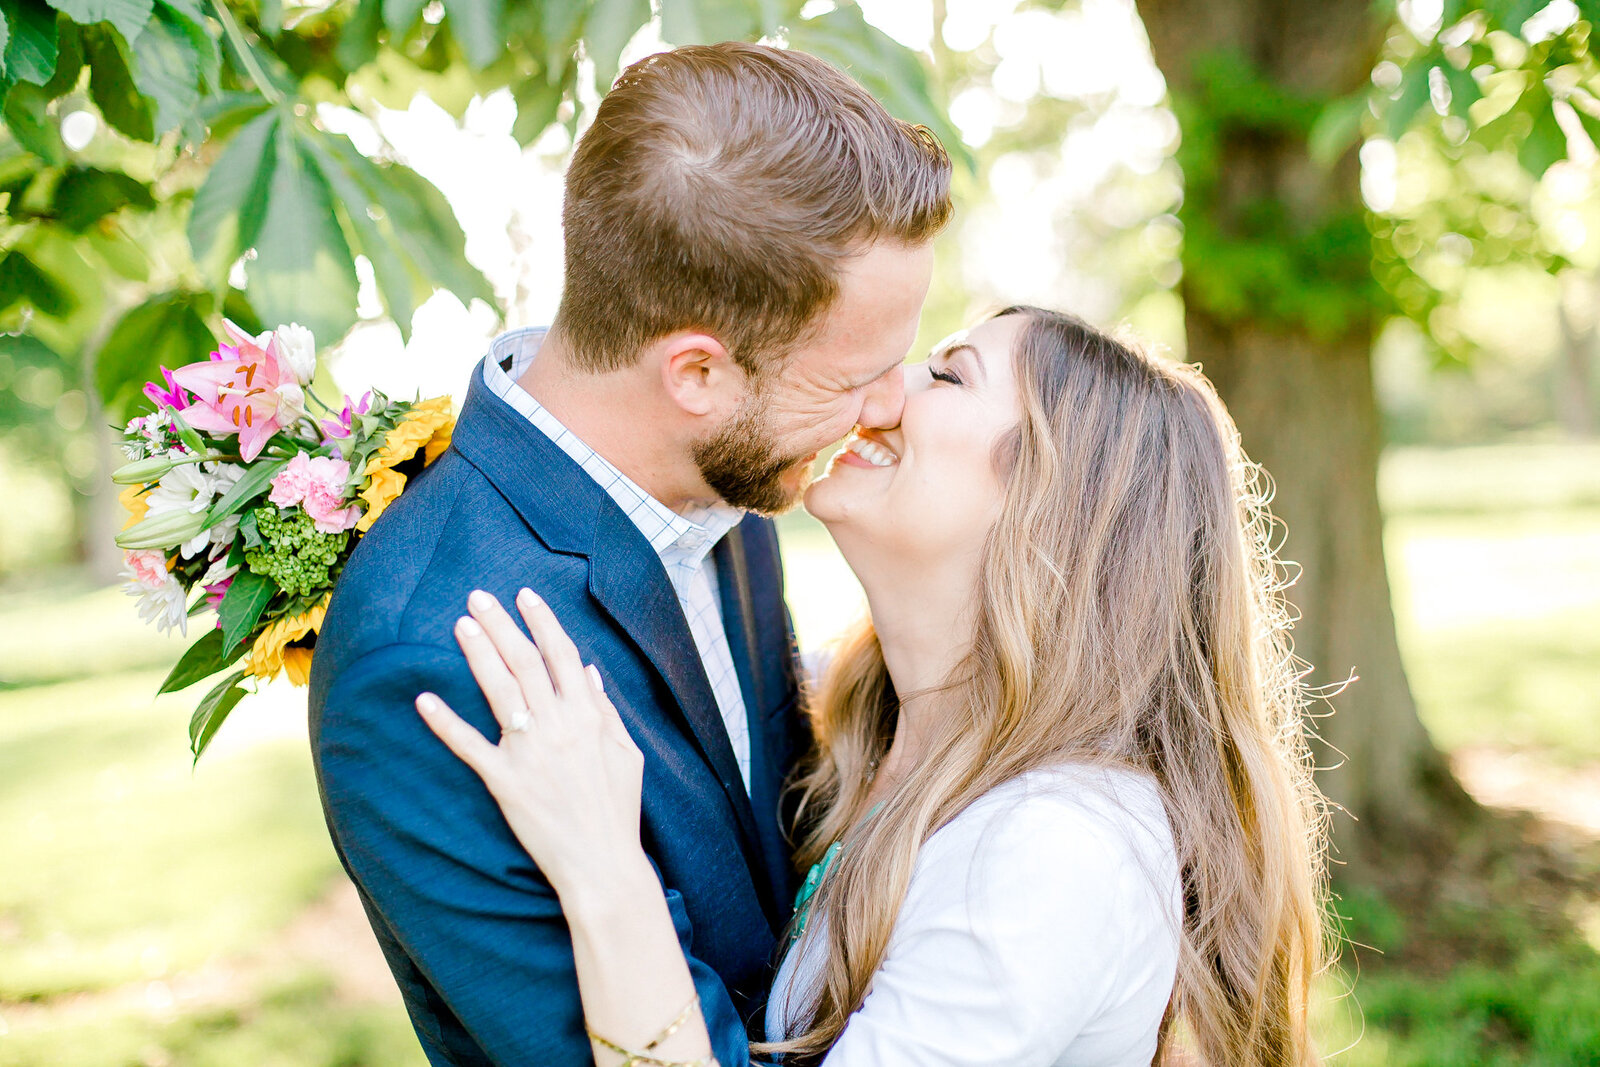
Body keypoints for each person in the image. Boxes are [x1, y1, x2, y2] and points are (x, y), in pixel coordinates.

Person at [419, 307, 1331, 1066]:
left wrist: (604, 871)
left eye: (949, 375)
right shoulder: (884, 720)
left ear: (1050, 500)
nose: (883, 392)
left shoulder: (1053, 850)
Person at [308, 42, 952, 1065]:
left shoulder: (729, 482)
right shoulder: (426, 658)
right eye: (856, 374)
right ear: (696, 371)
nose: (892, 404)